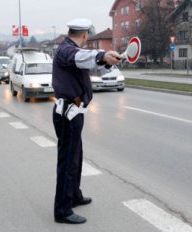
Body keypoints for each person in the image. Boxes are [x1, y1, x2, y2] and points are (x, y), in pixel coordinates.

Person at [52, 18, 122, 224]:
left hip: (75, 112)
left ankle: (74, 195)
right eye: (87, 37)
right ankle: (62, 210)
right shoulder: (67, 50)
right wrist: (102, 55)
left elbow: (94, 67)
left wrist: (111, 61)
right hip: (68, 113)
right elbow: (84, 57)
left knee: (76, 157)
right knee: (67, 161)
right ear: (84, 35)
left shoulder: (73, 53)